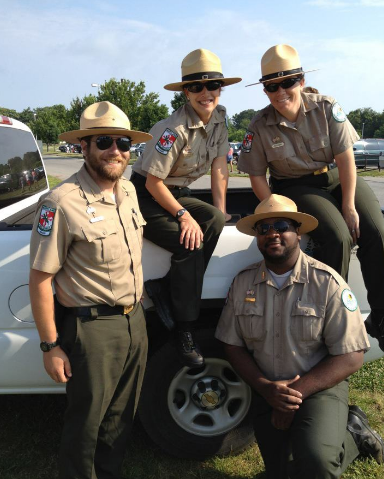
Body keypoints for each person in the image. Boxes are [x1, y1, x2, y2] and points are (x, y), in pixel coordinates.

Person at [216, 194, 384, 479]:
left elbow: (352, 355)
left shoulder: (327, 282)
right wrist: (266, 388)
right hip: (269, 391)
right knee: (283, 473)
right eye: (263, 228)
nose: (272, 234)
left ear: (298, 232)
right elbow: (231, 344)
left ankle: (353, 435)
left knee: (317, 464)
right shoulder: (243, 282)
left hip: (319, 388)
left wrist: (295, 394)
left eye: (281, 225)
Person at [29, 101, 152, 479]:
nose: (115, 150)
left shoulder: (129, 191)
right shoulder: (60, 203)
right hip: (93, 329)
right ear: (84, 147)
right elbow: (40, 279)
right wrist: (51, 346)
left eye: (123, 143)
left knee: (120, 419)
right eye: (104, 141)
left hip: (135, 321)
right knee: (87, 425)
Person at [238, 44, 384, 351]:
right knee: (337, 236)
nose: (280, 92)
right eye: (271, 86)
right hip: (295, 187)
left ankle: (380, 319)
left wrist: (349, 206)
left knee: (377, 231)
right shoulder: (259, 125)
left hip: (334, 177)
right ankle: (332, 321)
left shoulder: (326, 107)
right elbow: (255, 175)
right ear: (264, 90)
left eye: (287, 82)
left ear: (301, 81)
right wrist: (276, 212)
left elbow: (345, 160)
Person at [130, 48, 241, 368]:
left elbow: (220, 167)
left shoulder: (219, 119)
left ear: (221, 88)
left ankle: (167, 287)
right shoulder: (173, 130)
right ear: (186, 92)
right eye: (195, 86)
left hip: (175, 191)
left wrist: (220, 212)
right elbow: (152, 183)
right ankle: (185, 329)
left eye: (212, 86)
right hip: (143, 195)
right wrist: (183, 215)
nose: (205, 93)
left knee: (214, 221)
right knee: (188, 244)